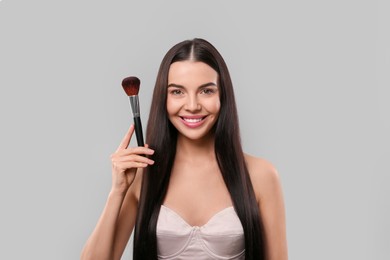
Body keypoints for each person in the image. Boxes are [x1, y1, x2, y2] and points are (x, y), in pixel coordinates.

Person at [81, 38, 288, 260]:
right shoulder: (143, 174)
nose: (192, 105)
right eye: (177, 92)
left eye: (206, 91)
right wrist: (117, 191)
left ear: (223, 96)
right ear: (164, 98)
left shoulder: (261, 175)